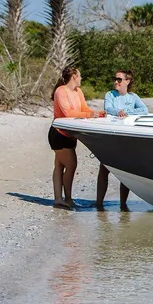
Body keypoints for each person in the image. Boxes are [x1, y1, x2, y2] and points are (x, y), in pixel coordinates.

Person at [49, 66, 106, 209]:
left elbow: (84, 109)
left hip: (70, 135)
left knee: (59, 165)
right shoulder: (60, 91)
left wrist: (96, 113)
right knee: (71, 165)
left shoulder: (78, 91)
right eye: (80, 76)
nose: (81, 78)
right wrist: (88, 115)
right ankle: (68, 199)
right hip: (58, 134)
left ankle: (58, 199)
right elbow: (68, 112)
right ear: (74, 76)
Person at [94, 70, 148, 210]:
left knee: (124, 170)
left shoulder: (134, 97)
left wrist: (127, 112)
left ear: (127, 81)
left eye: (119, 79)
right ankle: (98, 203)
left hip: (126, 138)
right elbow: (108, 108)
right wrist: (118, 112)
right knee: (104, 168)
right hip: (111, 137)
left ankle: (123, 205)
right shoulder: (110, 94)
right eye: (115, 79)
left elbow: (144, 110)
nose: (116, 82)